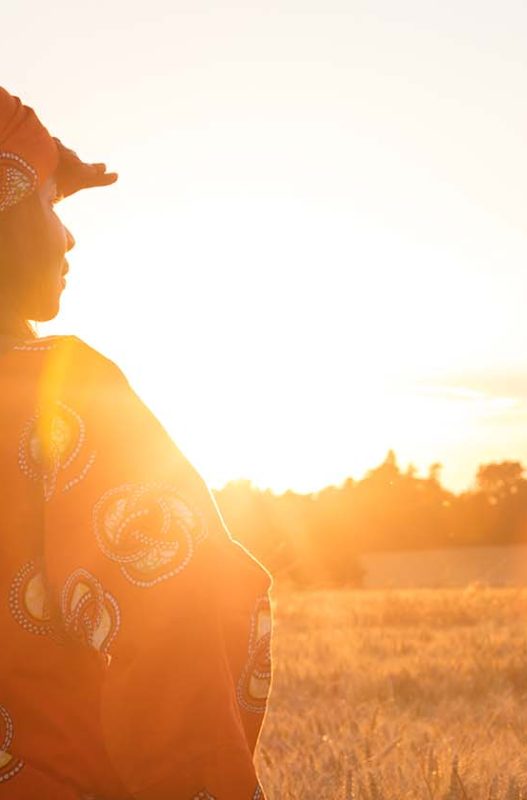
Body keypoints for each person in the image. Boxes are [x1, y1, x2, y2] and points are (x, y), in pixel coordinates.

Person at [0, 88, 273, 799]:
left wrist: (43, 161)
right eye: (53, 207)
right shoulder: (67, 396)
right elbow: (181, 624)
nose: (69, 237)